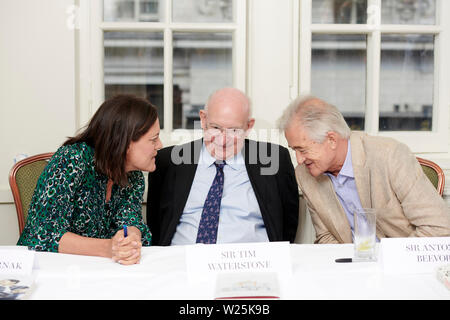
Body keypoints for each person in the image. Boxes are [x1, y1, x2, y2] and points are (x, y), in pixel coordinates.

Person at [279, 94, 450, 244]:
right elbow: (325, 237)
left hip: (401, 268)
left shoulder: (390, 155)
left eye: (302, 149)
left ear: (331, 139)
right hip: (350, 270)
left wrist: (387, 262)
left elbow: (438, 227)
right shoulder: (305, 174)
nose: (299, 160)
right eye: (294, 150)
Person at [18, 94, 163, 264]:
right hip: (48, 267)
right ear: (123, 142)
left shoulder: (134, 176)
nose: (160, 145)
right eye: (153, 139)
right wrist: (109, 248)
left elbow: (129, 220)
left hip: (97, 269)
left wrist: (131, 236)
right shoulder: (72, 159)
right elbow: (44, 234)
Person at [147, 87, 299, 245]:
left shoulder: (275, 160)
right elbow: (156, 225)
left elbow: (287, 226)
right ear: (203, 120)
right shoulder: (168, 161)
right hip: (181, 263)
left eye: (234, 130)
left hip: (250, 265)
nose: (223, 140)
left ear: (248, 126)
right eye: (215, 128)